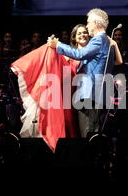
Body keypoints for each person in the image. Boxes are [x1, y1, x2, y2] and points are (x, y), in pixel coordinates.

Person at [47, 8, 115, 138]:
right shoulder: (107, 41)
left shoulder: (98, 39)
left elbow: (80, 54)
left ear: (96, 22)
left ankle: (91, 158)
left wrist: (58, 44)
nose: (87, 26)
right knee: (94, 133)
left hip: (91, 95)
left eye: (89, 22)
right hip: (99, 95)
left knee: (88, 134)